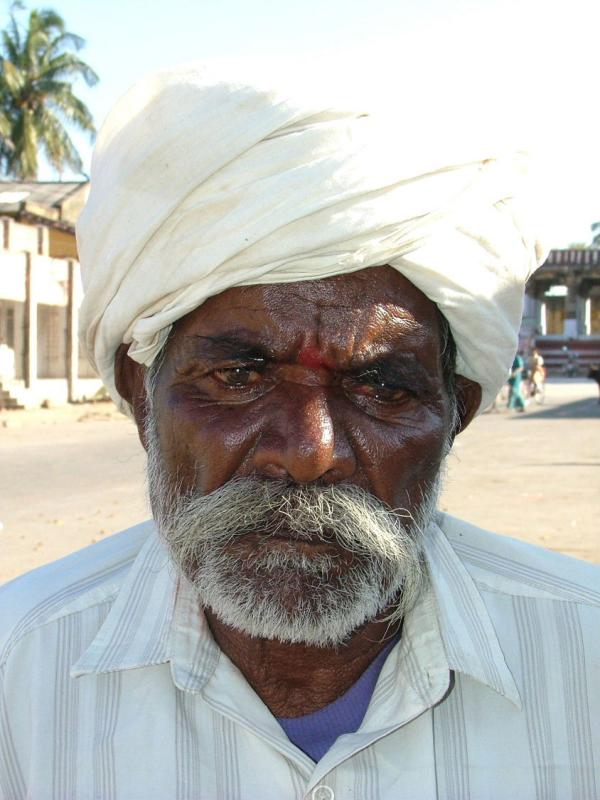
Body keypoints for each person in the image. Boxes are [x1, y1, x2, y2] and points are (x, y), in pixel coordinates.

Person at [1, 64, 599, 800]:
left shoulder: (586, 657)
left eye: (381, 388)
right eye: (238, 377)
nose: (311, 452)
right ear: (140, 396)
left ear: (456, 416)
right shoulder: (17, 670)